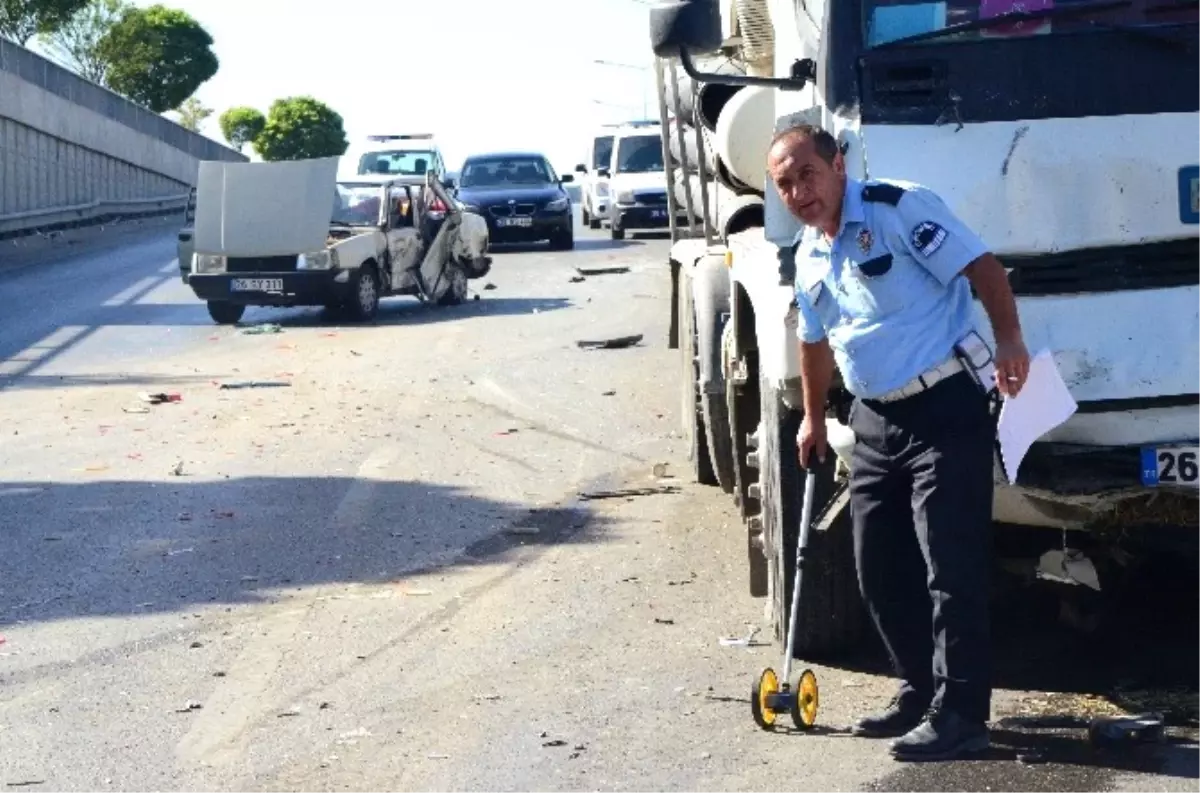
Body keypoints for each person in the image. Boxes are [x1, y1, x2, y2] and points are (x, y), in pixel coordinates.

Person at [766, 124, 1030, 762]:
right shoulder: (806, 252)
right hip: (875, 420)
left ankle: (963, 715)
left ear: (837, 164)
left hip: (944, 409)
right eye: (786, 184)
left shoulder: (896, 207)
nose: (800, 191)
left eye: (808, 173)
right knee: (877, 566)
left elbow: (982, 268)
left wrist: (1012, 341)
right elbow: (814, 337)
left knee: (950, 567)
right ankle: (918, 690)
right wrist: (809, 418)